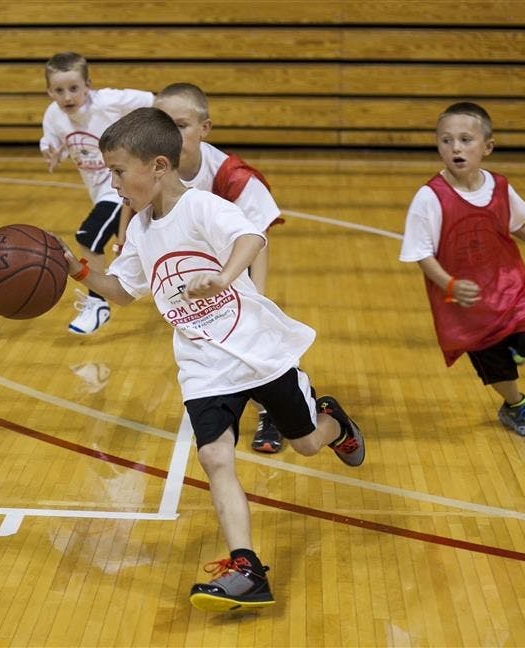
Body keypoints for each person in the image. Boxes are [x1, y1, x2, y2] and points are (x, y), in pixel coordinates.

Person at [56, 107, 366, 612]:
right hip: (203, 364)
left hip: (256, 350)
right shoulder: (139, 232)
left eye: (118, 171)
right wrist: (77, 269)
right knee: (215, 457)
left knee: (307, 443)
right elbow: (124, 291)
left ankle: (335, 424)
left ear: (158, 167)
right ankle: (247, 568)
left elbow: (252, 238)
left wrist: (224, 276)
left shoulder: (202, 208)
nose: (111, 182)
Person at [400, 102, 525, 438]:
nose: (455, 148)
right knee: (496, 363)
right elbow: (421, 254)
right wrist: (449, 284)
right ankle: (516, 405)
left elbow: (513, 222)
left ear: (487, 147)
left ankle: (509, 345)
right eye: (446, 141)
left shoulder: (500, 186)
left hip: (506, 289)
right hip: (466, 305)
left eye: (465, 140)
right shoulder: (430, 197)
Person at [150, 82, 286, 454]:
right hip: (193, 278)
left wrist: (256, 299)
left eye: (180, 125)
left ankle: (274, 408)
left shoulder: (233, 176)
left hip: (234, 269)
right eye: (161, 123)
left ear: (204, 128)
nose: (169, 134)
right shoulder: (152, 169)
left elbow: (259, 240)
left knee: (257, 346)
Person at [39, 51, 153, 334]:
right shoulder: (54, 115)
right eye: (59, 90)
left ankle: (98, 303)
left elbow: (152, 101)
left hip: (121, 187)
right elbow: (51, 140)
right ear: (49, 91)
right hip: (100, 190)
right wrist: (50, 152)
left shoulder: (108, 102)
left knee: (88, 236)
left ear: (88, 84)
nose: (67, 96)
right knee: (149, 242)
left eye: (74, 88)